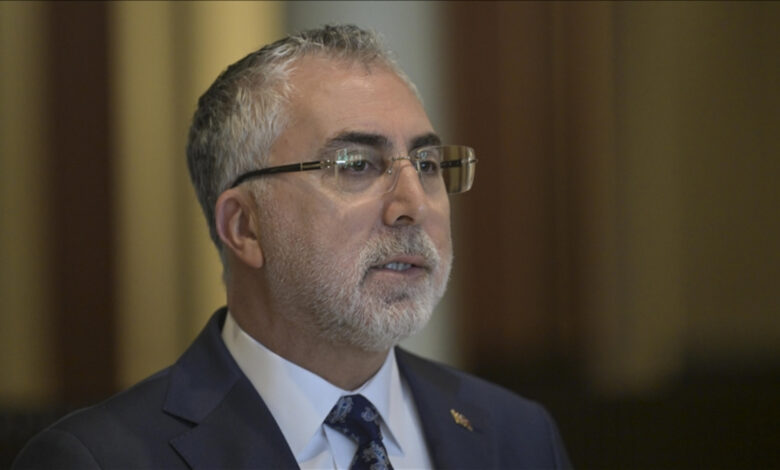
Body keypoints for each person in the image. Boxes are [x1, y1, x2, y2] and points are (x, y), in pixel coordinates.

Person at [13, 24, 571, 469]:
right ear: (245, 227)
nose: (412, 204)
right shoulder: (100, 459)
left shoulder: (516, 435)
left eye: (426, 164)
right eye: (356, 164)